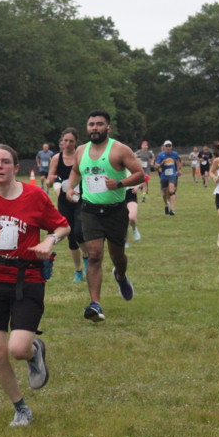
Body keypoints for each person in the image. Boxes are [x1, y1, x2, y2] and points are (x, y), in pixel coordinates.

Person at [0, 144, 70, 427]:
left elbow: (62, 226)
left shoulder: (34, 195)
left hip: (28, 278)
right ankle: (21, 408)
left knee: (18, 349)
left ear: (15, 167)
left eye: (5, 162)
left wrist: (49, 240)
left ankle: (34, 350)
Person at [66, 110, 144, 322]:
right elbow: (76, 171)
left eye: (99, 124)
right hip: (90, 211)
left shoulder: (120, 150)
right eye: (91, 124)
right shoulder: (81, 151)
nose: (94, 128)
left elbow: (140, 174)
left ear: (108, 127)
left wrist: (119, 183)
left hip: (116, 211)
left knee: (118, 257)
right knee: (94, 256)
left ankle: (120, 275)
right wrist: (70, 187)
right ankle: (95, 304)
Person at [47, 127, 86, 282]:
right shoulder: (56, 158)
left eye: (71, 141)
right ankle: (78, 271)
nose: (68, 144)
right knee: (71, 236)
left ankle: (87, 257)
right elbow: (50, 178)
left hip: (80, 198)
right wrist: (50, 181)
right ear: (61, 142)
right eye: (65, 141)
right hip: (64, 201)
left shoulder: (81, 156)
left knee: (79, 232)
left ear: (76, 142)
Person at [154, 140, 180, 215]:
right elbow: (156, 166)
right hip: (164, 176)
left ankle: (173, 209)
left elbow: (178, 161)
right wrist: (162, 164)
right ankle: (166, 204)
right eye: (166, 146)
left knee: (172, 190)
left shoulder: (175, 154)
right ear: (164, 147)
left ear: (171, 147)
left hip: (172, 175)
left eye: (169, 146)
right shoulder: (160, 155)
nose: (168, 147)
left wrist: (179, 170)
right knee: (164, 193)